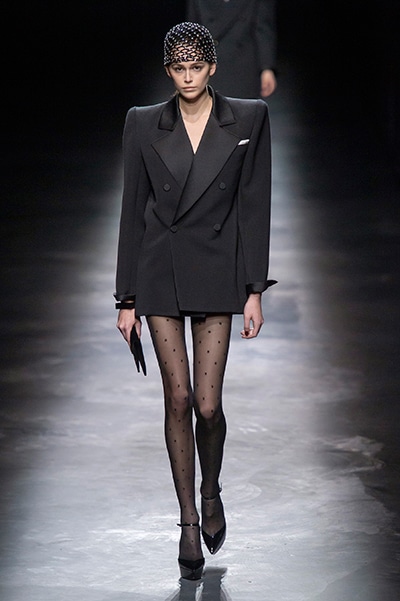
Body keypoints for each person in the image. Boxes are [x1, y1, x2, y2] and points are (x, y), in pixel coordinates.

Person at [114, 21, 276, 581]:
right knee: (178, 399)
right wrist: (126, 297)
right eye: (178, 68)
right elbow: (132, 209)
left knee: (208, 406)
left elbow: (254, 206)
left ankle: (211, 490)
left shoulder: (248, 118)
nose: (187, 77)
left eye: (196, 67)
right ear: (169, 71)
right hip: (160, 269)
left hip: (216, 269)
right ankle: (187, 520)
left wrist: (254, 290)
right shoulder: (143, 123)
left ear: (212, 68)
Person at [186, 0, 277, 98]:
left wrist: (266, 68)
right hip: (209, 66)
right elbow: (193, 31)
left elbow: (262, 30)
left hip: (244, 68)